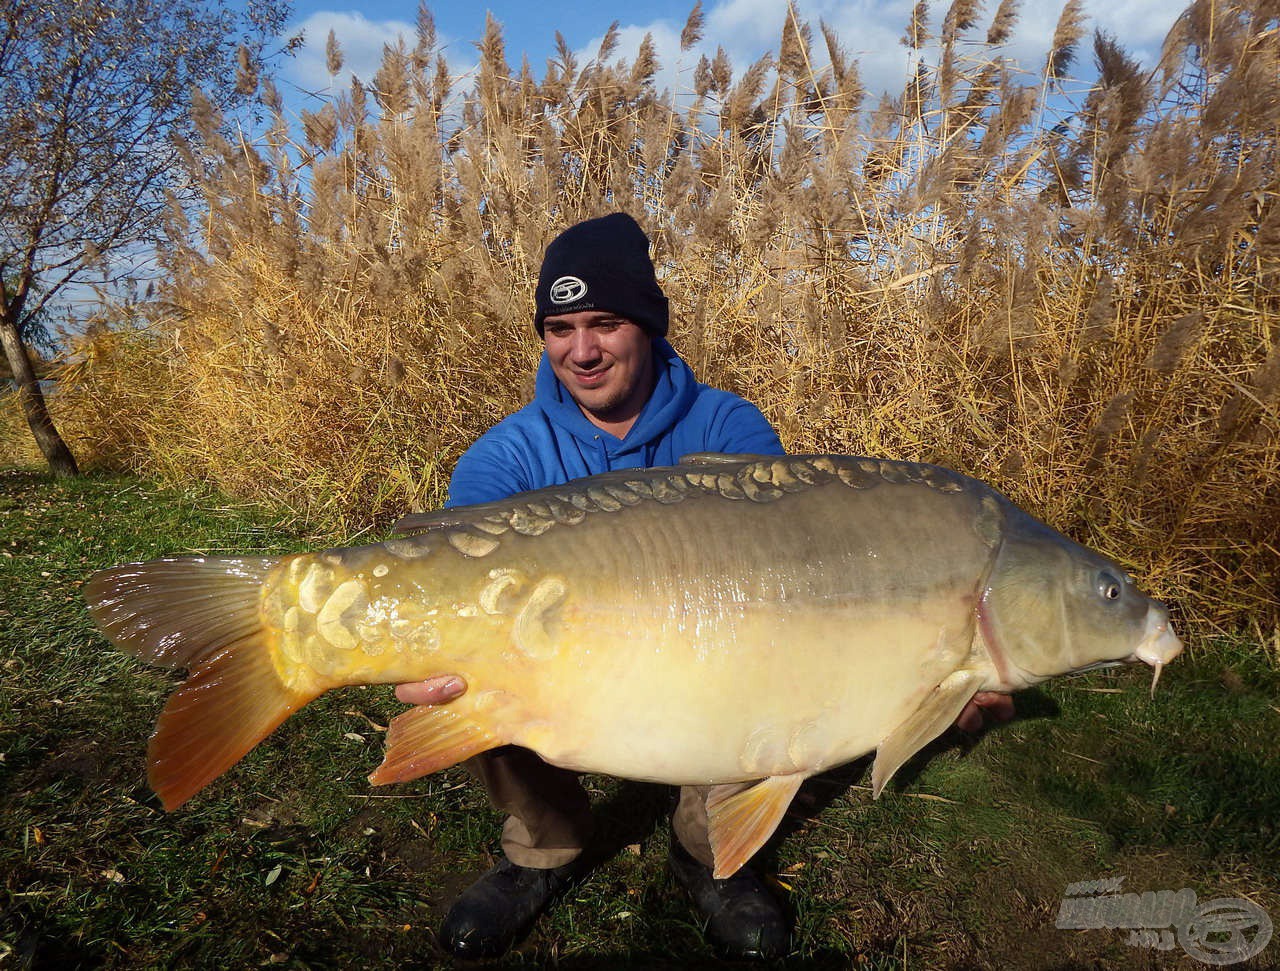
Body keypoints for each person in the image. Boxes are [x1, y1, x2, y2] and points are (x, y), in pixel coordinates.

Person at [396, 212, 1014, 961]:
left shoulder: (728, 425)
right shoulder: (506, 456)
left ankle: (705, 849)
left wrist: (932, 678)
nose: (581, 351)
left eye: (605, 322)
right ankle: (543, 847)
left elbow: (787, 583)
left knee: (787, 670)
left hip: (708, 664)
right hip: (564, 675)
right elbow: (451, 586)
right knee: (472, 658)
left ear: (648, 326)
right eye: (559, 328)